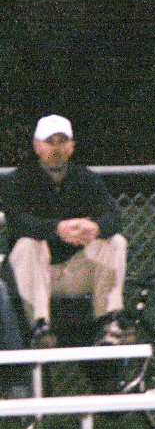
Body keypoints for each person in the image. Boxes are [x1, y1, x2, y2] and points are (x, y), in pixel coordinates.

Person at [1, 114, 126, 348]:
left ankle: (109, 322)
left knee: (115, 241)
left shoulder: (86, 178)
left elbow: (114, 217)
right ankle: (40, 327)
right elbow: (17, 222)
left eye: (62, 141)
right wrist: (57, 229)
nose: (56, 148)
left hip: (75, 272)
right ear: (37, 146)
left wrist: (95, 227)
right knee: (28, 244)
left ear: (71, 147)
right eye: (50, 142)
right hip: (35, 274)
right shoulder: (18, 180)